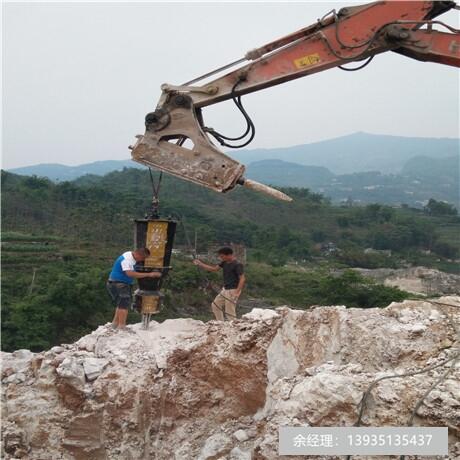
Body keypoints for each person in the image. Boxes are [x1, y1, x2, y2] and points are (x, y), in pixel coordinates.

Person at [107, 248, 161, 330]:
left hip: (117, 283)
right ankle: (121, 326)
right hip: (119, 284)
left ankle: (115, 324)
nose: (143, 260)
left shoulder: (130, 255)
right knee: (123, 305)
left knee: (120, 304)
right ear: (138, 255)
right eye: (143, 258)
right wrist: (149, 274)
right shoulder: (126, 260)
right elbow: (130, 273)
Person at [193, 246, 245, 321]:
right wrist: (200, 264)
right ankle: (220, 323)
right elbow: (214, 269)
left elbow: (242, 279)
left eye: (222, 256)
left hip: (233, 289)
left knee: (229, 311)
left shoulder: (237, 264)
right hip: (225, 289)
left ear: (229, 255)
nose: (221, 258)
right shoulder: (224, 262)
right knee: (215, 305)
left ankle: (232, 327)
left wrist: (236, 292)